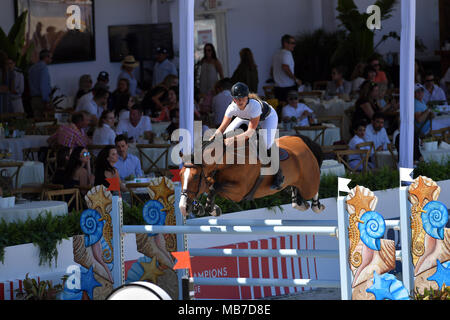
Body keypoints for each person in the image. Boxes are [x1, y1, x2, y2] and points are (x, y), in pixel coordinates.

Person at [210, 82, 283, 190]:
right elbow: (221, 128)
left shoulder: (254, 105)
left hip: (267, 118)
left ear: (247, 97)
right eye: (236, 99)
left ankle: (279, 176)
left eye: (242, 98)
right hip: (246, 117)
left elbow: (250, 132)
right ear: (233, 99)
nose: (239, 101)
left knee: (267, 144)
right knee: (225, 135)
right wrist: (211, 139)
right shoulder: (232, 108)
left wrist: (232, 139)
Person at [271, 34, 301, 105]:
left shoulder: (276, 54)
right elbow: (285, 67)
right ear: (285, 43)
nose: (294, 45)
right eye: (292, 43)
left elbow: (271, 70)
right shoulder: (287, 53)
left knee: (281, 110)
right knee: (291, 109)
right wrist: (296, 79)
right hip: (288, 87)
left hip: (278, 87)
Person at [28, 49, 52, 116]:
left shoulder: (32, 68)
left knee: (37, 123)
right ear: (46, 57)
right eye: (50, 57)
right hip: (41, 100)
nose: (51, 59)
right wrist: (46, 100)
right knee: (47, 123)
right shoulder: (43, 68)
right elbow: (43, 85)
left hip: (33, 99)